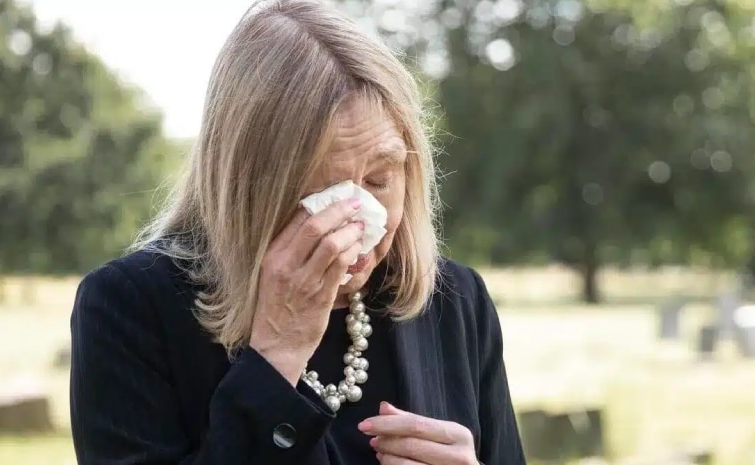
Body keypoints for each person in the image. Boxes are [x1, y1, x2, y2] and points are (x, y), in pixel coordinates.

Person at [68, 1, 525, 464]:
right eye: (325, 191)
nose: (358, 218)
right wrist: (275, 356)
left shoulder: (454, 301)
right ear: (247, 184)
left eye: (379, 181)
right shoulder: (129, 308)